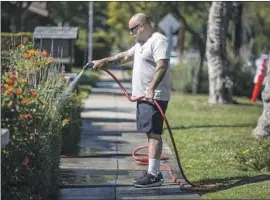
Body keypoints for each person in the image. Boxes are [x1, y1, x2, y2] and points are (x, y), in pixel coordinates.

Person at [92, 13, 170, 188]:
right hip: (144, 97)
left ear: (142, 26)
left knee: (154, 134)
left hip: (154, 96)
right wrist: (104, 61)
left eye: (132, 29)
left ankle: (154, 174)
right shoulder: (141, 44)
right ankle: (152, 171)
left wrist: (151, 88)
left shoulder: (158, 40)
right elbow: (124, 56)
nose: (131, 33)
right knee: (150, 133)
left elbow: (162, 65)